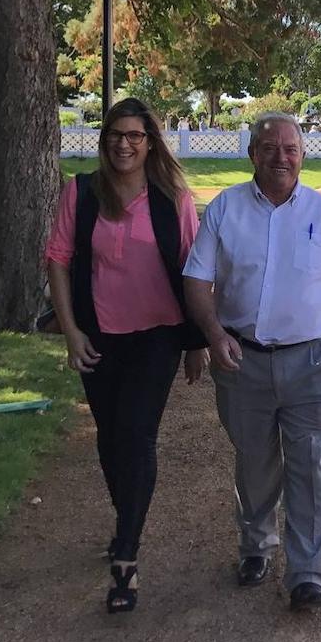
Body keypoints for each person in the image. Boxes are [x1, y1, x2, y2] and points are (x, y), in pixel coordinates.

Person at [183, 112, 321, 612]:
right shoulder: (225, 210)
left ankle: (307, 571)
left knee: (309, 465)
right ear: (252, 155)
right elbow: (197, 280)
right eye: (269, 148)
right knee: (255, 464)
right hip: (241, 361)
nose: (281, 157)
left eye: (290, 148)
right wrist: (212, 334)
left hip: (311, 361)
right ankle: (256, 546)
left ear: (303, 155)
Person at [44, 97, 208, 614]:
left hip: (156, 335)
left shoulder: (172, 198)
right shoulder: (82, 192)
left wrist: (197, 342)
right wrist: (70, 331)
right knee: (111, 439)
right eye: (116, 134)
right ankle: (126, 521)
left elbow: (193, 269)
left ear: (150, 142)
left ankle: (126, 559)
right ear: (104, 138)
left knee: (137, 434)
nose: (124, 144)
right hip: (99, 336)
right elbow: (58, 260)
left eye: (136, 135)